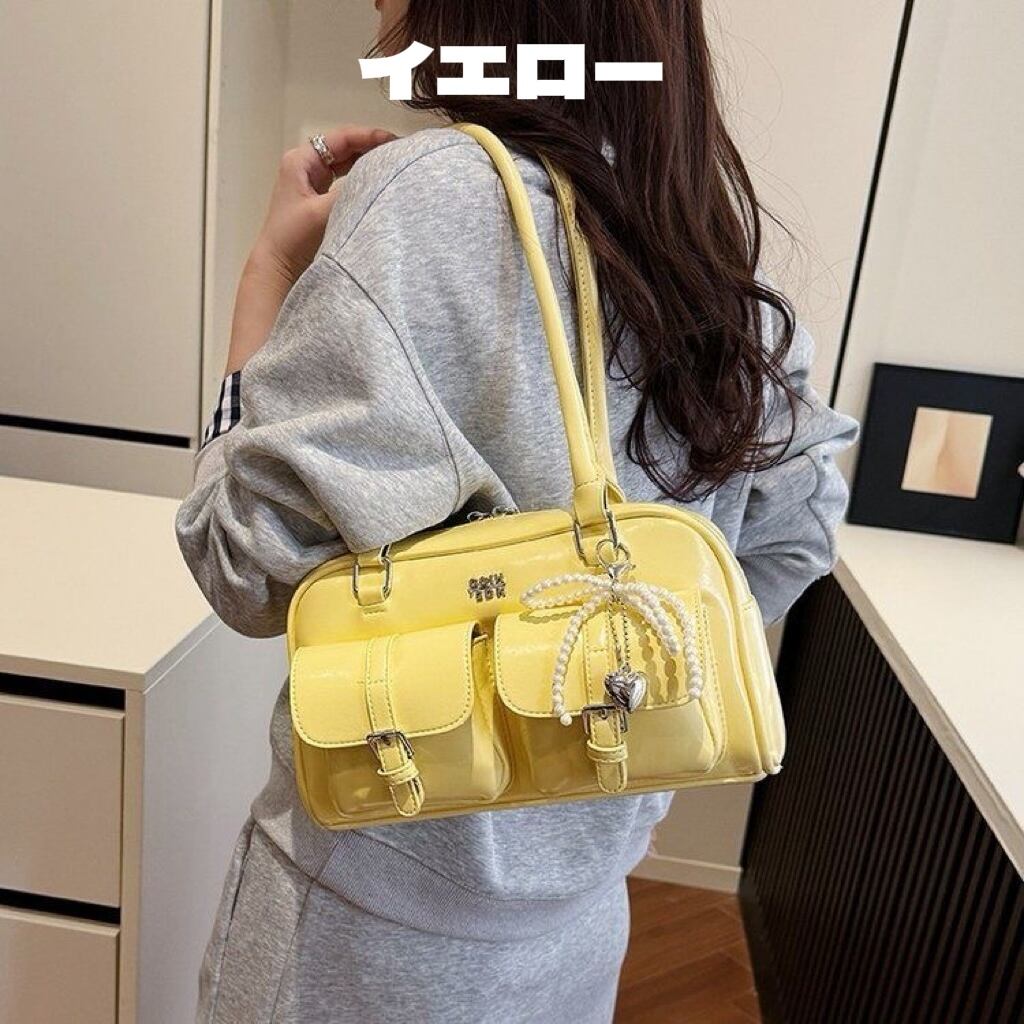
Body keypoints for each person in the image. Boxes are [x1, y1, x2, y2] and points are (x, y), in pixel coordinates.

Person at [175, 1, 859, 1021]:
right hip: (582, 918)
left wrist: (268, 268)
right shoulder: (696, 231)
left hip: (369, 938)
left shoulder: (429, 194)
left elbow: (240, 562)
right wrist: (606, 713)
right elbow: (795, 530)